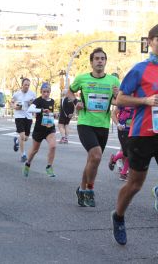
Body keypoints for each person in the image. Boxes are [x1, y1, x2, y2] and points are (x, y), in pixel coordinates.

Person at [111, 24, 158, 245]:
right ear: (150, 42)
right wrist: (145, 101)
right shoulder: (140, 69)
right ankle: (118, 216)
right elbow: (120, 99)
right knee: (136, 184)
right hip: (143, 133)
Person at [67, 47, 119, 207]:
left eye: (102, 58)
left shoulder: (113, 81)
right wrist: (76, 102)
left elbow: (118, 101)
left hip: (102, 125)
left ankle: (81, 189)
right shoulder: (82, 79)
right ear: (91, 62)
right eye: (96, 58)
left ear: (105, 62)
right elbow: (69, 92)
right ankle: (90, 189)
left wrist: (118, 95)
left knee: (92, 160)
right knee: (96, 156)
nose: (99, 61)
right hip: (85, 124)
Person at [22, 83, 57, 177]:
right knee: (34, 150)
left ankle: (49, 167)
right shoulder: (38, 100)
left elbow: (50, 113)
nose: (46, 93)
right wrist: (41, 110)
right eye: (44, 92)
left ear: (50, 92)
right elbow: (30, 109)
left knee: (53, 146)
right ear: (41, 92)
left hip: (50, 128)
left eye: (48, 91)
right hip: (39, 130)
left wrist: (54, 114)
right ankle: (28, 163)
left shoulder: (52, 101)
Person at [11, 78, 36, 162]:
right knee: (22, 136)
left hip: (28, 117)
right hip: (19, 116)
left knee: (25, 138)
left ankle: (16, 140)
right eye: (25, 85)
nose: (27, 86)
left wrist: (31, 104)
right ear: (22, 85)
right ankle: (23, 155)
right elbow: (11, 102)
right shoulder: (16, 94)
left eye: (28, 85)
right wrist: (15, 106)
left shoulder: (32, 94)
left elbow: (35, 104)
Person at [108, 106, 134, 181]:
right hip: (123, 130)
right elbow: (113, 114)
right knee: (127, 152)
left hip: (134, 131)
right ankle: (115, 159)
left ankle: (123, 173)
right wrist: (118, 124)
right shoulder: (123, 102)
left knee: (131, 152)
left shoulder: (139, 101)